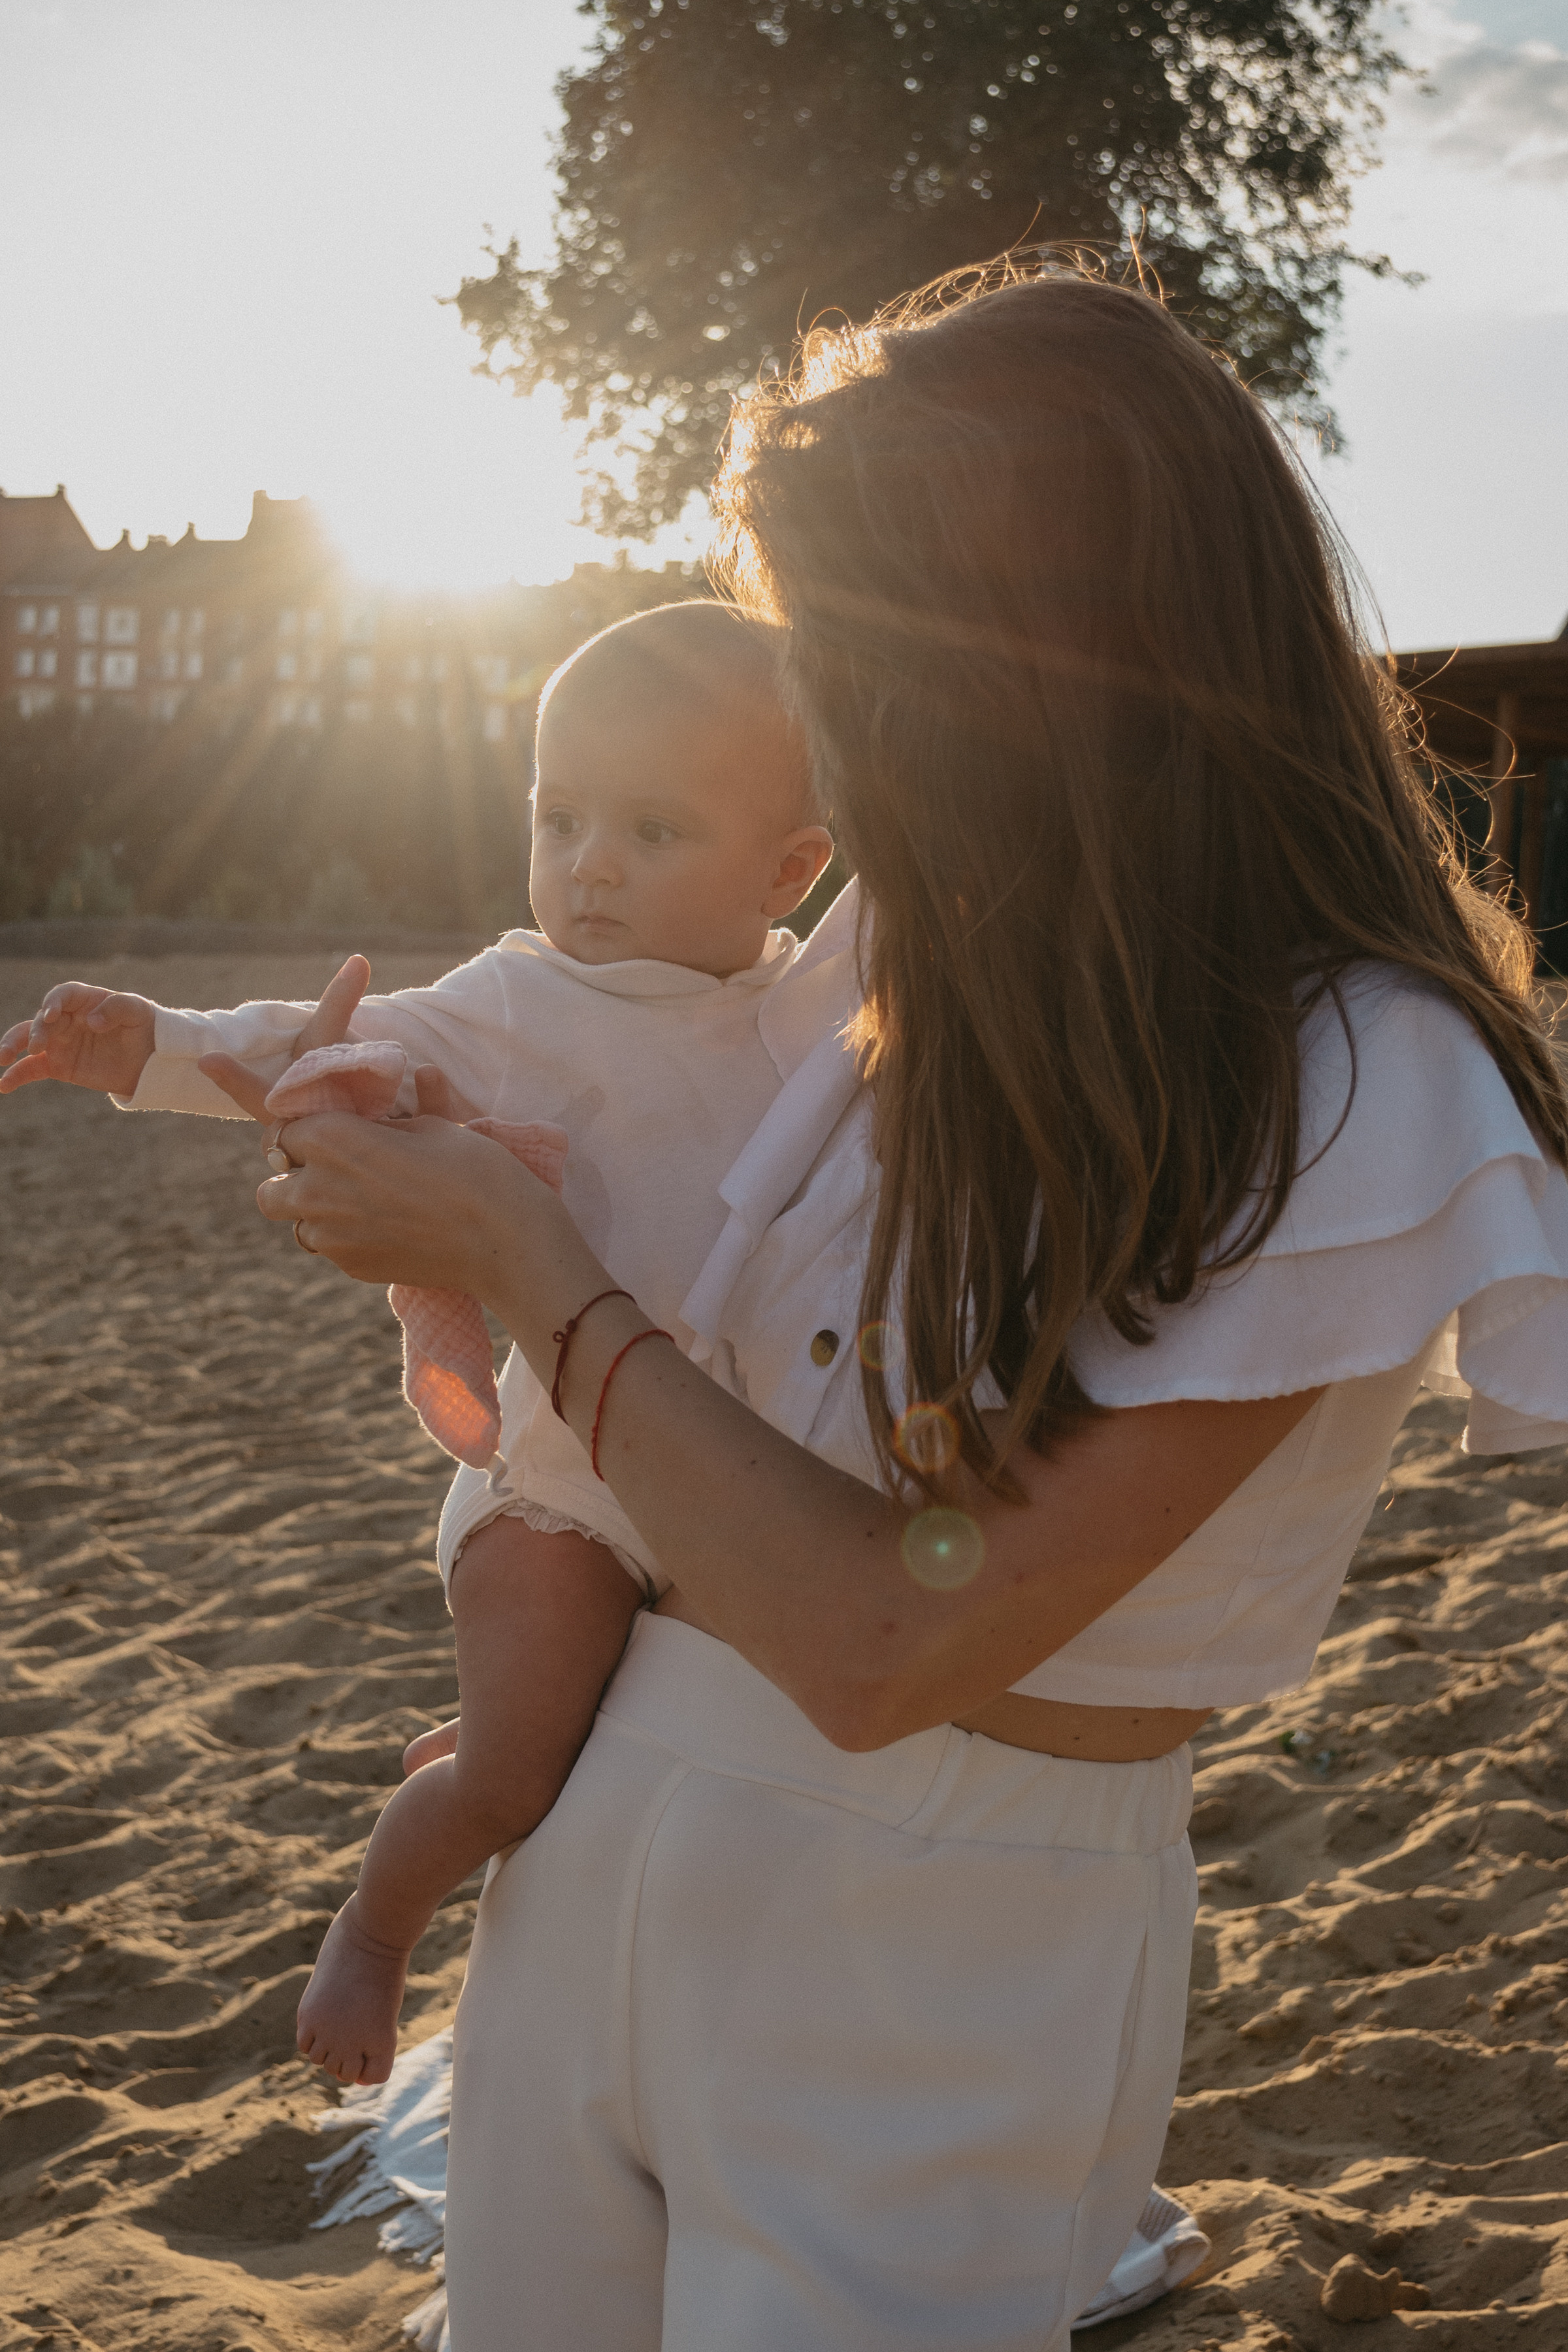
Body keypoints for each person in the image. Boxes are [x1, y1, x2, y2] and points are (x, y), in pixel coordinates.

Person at [144, 269, 1568, 2349]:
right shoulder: (899, 956)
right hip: (602, 1821)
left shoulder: (1366, 1075)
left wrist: (517, 1265)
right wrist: (385, 1138)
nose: (829, 709)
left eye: (864, 647)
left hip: (946, 1908)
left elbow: (888, 1641)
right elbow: (581, 1079)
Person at [0, 600, 837, 2087]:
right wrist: (152, 1048)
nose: (588, 865)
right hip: (568, 1494)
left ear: (790, 867)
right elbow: (325, 1045)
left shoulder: (815, 1022)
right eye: (560, 815)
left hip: (733, 1483)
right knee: (516, 1777)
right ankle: (380, 1927)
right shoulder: (520, 1000)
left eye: (653, 829)